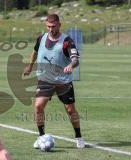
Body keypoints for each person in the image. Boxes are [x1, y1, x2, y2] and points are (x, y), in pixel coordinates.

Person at [23, 14, 85, 149]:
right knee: (38, 106)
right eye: (48, 26)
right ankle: (41, 137)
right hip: (44, 78)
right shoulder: (41, 38)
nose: (51, 29)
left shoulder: (67, 41)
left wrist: (71, 65)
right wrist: (30, 65)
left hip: (63, 81)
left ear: (59, 25)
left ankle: (79, 136)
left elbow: (75, 59)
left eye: (53, 26)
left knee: (70, 110)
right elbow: (35, 51)